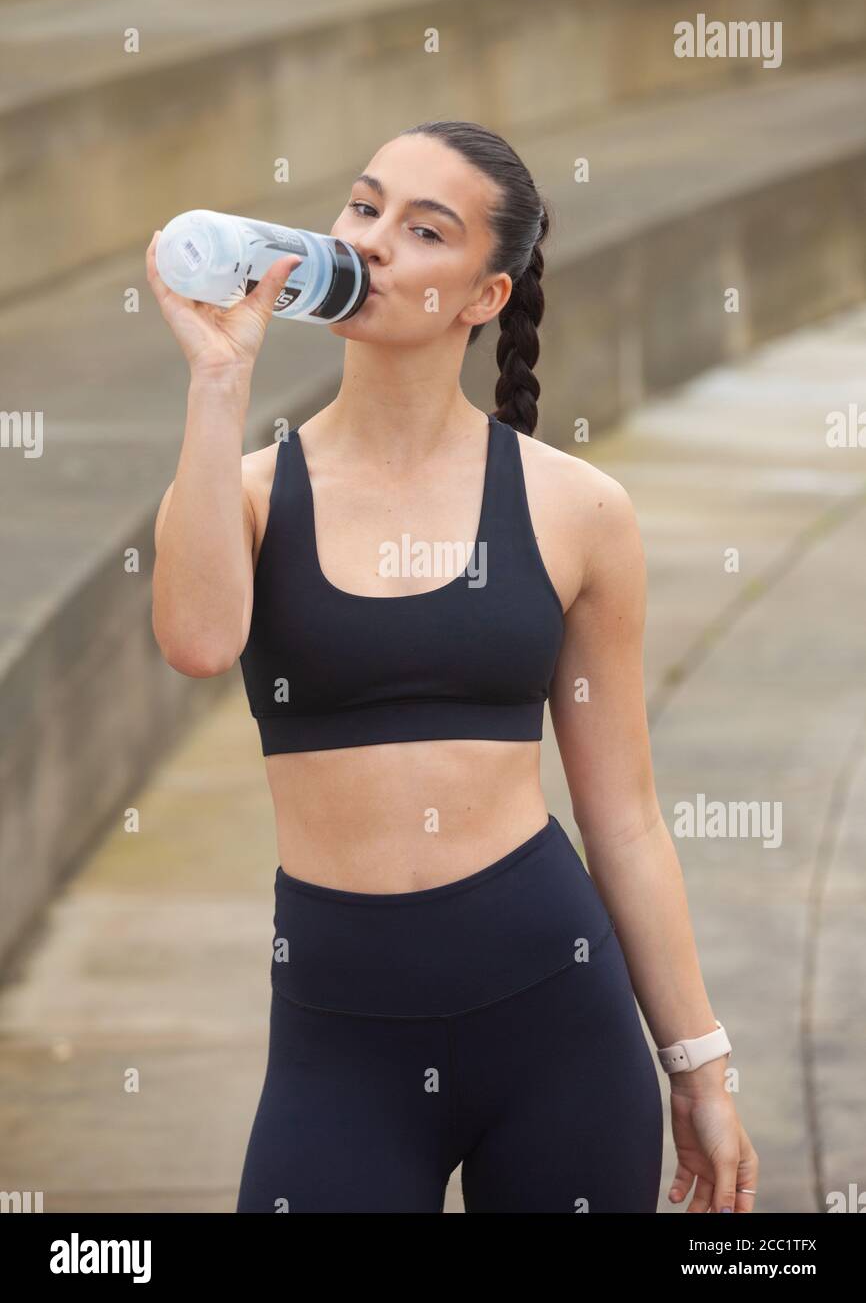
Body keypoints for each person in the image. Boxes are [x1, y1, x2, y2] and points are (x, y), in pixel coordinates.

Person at [147, 120, 759, 1214]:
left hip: (556, 1023)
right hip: (338, 1045)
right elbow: (196, 643)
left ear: (482, 296)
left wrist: (698, 1064)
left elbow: (622, 817)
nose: (373, 244)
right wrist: (217, 381)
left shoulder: (576, 510)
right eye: (363, 207)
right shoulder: (242, 493)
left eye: (423, 230)